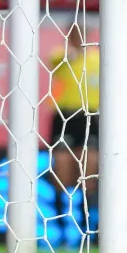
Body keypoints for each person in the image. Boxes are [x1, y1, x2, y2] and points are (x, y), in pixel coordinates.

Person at [46, 24, 100, 228]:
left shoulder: (98, 58)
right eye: (75, 33)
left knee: (89, 172)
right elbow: (55, 63)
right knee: (62, 172)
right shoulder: (62, 55)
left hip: (90, 117)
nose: (79, 37)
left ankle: (88, 225)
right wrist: (75, 51)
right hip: (65, 116)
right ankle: (61, 227)